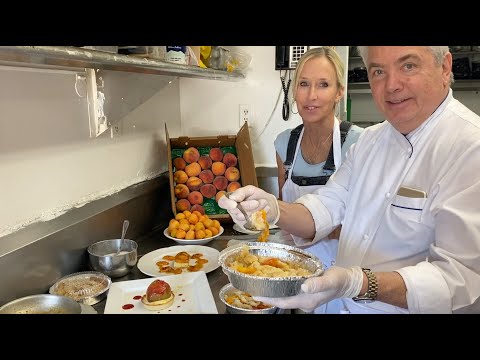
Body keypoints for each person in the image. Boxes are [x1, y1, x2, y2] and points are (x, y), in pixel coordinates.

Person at [219, 46, 480, 314]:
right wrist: (271, 209)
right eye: (378, 71)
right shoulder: (371, 141)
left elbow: (458, 279)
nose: (391, 85)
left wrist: (359, 283)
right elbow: (326, 207)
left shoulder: (471, 147)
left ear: (445, 67)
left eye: (408, 66)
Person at [273, 47, 363, 314]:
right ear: (294, 91)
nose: (311, 96)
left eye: (323, 85)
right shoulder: (284, 144)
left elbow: (367, 225)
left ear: (339, 92)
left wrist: (311, 227)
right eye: (303, 84)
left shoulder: (358, 143)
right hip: (294, 273)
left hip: (343, 278)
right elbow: (283, 208)